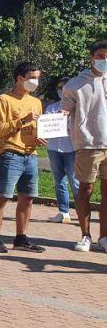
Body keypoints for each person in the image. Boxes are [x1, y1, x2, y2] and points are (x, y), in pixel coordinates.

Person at [0, 62, 48, 253]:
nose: (35, 81)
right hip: (9, 153)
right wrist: (22, 120)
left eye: (37, 77)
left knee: (28, 198)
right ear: (19, 78)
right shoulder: (3, 100)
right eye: (32, 77)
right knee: (3, 197)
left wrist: (38, 138)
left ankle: (21, 238)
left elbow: (35, 129)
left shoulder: (36, 102)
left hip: (30, 154)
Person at [62, 40, 107, 253]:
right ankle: (85, 235)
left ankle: (104, 237)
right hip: (89, 144)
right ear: (91, 57)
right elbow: (65, 112)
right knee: (85, 189)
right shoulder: (75, 84)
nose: (104, 60)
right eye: (100, 55)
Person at [45, 78, 78, 224]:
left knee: (75, 182)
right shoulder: (51, 108)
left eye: (64, 87)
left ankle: (82, 213)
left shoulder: (77, 109)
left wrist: (69, 117)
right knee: (59, 182)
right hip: (53, 148)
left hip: (71, 149)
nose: (61, 90)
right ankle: (64, 212)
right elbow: (45, 126)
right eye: (59, 87)